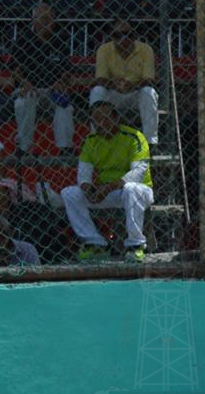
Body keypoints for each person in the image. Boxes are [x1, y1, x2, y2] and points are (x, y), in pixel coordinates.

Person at [61, 100, 153, 262]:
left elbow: (137, 173)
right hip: (107, 192)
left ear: (116, 118)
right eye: (96, 119)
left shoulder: (134, 137)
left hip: (137, 192)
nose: (101, 123)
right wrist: (88, 189)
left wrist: (107, 188)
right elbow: (83, 175)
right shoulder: (91, 141)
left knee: (132, 188)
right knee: (69, 193)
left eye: (105, 118)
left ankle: (135, 245)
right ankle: (95, 243)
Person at [10, 2, 75, 156]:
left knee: (65, 105)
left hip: (51, 89)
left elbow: (67, 71)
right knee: (25, 100)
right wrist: (25, 82)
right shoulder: (23, 40)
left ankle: (65, 148)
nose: (47, 22)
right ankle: (24, 147)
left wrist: (61, 82)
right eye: (42, 18)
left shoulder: (60, 40)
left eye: (49, 18)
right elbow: (15, 69)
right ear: (34, 20)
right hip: (28, 88)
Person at [89, 18, 159, 146]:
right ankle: (96, 139)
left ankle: (150, 142)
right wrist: (114, 85)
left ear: (134, 36)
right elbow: (100, 78)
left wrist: (132, 86)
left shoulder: (145, 49)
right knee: (97, 91)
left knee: (149, 92)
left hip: (135, 94)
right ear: (112, 36)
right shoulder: (104, 50)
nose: (123, 38)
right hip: (114, 94)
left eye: (128, 34)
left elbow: (149, 79)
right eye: (117, 35)